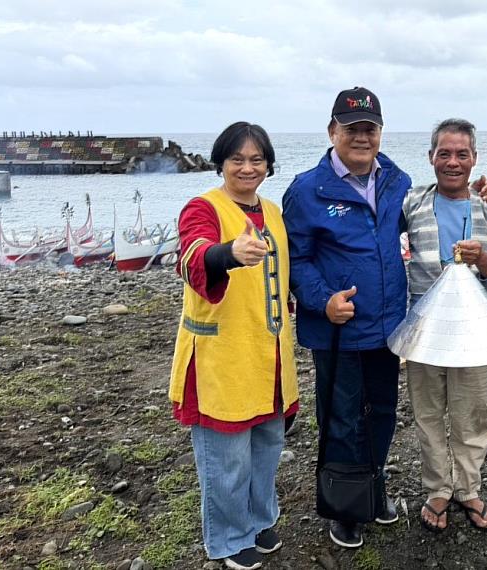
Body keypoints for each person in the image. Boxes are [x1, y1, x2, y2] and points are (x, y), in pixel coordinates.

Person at [282, 87, 487, 549]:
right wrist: (322, 300)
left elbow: (426, 216)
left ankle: (372, 491)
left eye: (370, 128)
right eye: (351, 128)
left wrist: (474, 198)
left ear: (380, 132)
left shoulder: (397, 181)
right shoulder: (306, 189)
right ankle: (344, 509)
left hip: (389, 328)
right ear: (332, 131)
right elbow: (295, 258)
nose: (362, 137)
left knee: (381, 415)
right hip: (338, 329)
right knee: (341, 419)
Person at [168, 122, 299, 570]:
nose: (247, 168)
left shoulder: (274, 212)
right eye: (237, 159)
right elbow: (192, 254)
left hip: (269, 353)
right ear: (220, 163)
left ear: (268, 165)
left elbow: (285, 275)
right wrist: (228, 254)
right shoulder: (202, 208)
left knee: (266, 445)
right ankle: (228, 536)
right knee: (226, 456)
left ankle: (260, 520)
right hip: (221, 356)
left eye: (256, 159)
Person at [402, 118, 487, 532]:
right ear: (430, 157)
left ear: (474, 159)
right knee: (428, 413)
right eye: (444, 153)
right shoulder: (409, 204)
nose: (453, 162)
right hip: (423, 330)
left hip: (475, 332)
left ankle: (468, 488)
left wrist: (482, 258)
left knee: (472, 414)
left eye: (461, 154)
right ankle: (437, 488)